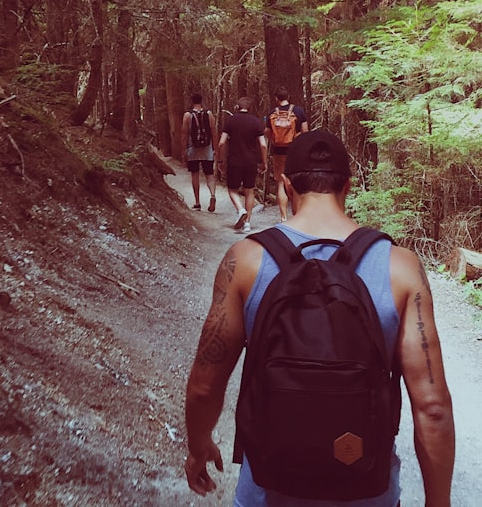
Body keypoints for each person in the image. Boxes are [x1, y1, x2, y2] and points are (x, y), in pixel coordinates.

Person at [184, 129, 455, 506]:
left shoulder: (245, 260)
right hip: (367, 491)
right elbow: (433, 407)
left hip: (268, 491)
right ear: (348, 185)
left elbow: (204, 383)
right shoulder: (400, 266)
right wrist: (438, 501)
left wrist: (199, 445)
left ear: (285, 186)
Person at [217, 96, 268, 234]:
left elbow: (221, 142)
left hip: (234, 161)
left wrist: (220, 160)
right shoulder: (256, 122)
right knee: (249, 190)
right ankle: (247, 224)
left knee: (232, 189)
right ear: (250, 108)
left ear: (237, 107)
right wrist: (264, 162)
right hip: (251, 161)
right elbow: (263, 144)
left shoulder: (230, 121)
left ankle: (240, 210)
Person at [264, 86, 309, 222]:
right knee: (295, 183)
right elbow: (306, 131)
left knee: (280, 184)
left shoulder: (273, 113)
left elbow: (266, 131)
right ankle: (296, 216)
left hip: (279, 151)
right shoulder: (298, 111)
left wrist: (274, 138)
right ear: (288, 97)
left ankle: (283, 217)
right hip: (295, 151)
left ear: (276, 99)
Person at [182, 93, 217, 212]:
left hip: (193, 148)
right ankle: (212, 195)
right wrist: (215, 148)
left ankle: (197, 202)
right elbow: (214, 132)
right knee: (209, 174)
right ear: (201, 101)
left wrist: (184, 150)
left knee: (195, 174)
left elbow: (184, 134)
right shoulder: (209, 114)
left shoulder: (187, 115)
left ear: (191, 101)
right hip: (207, 149)